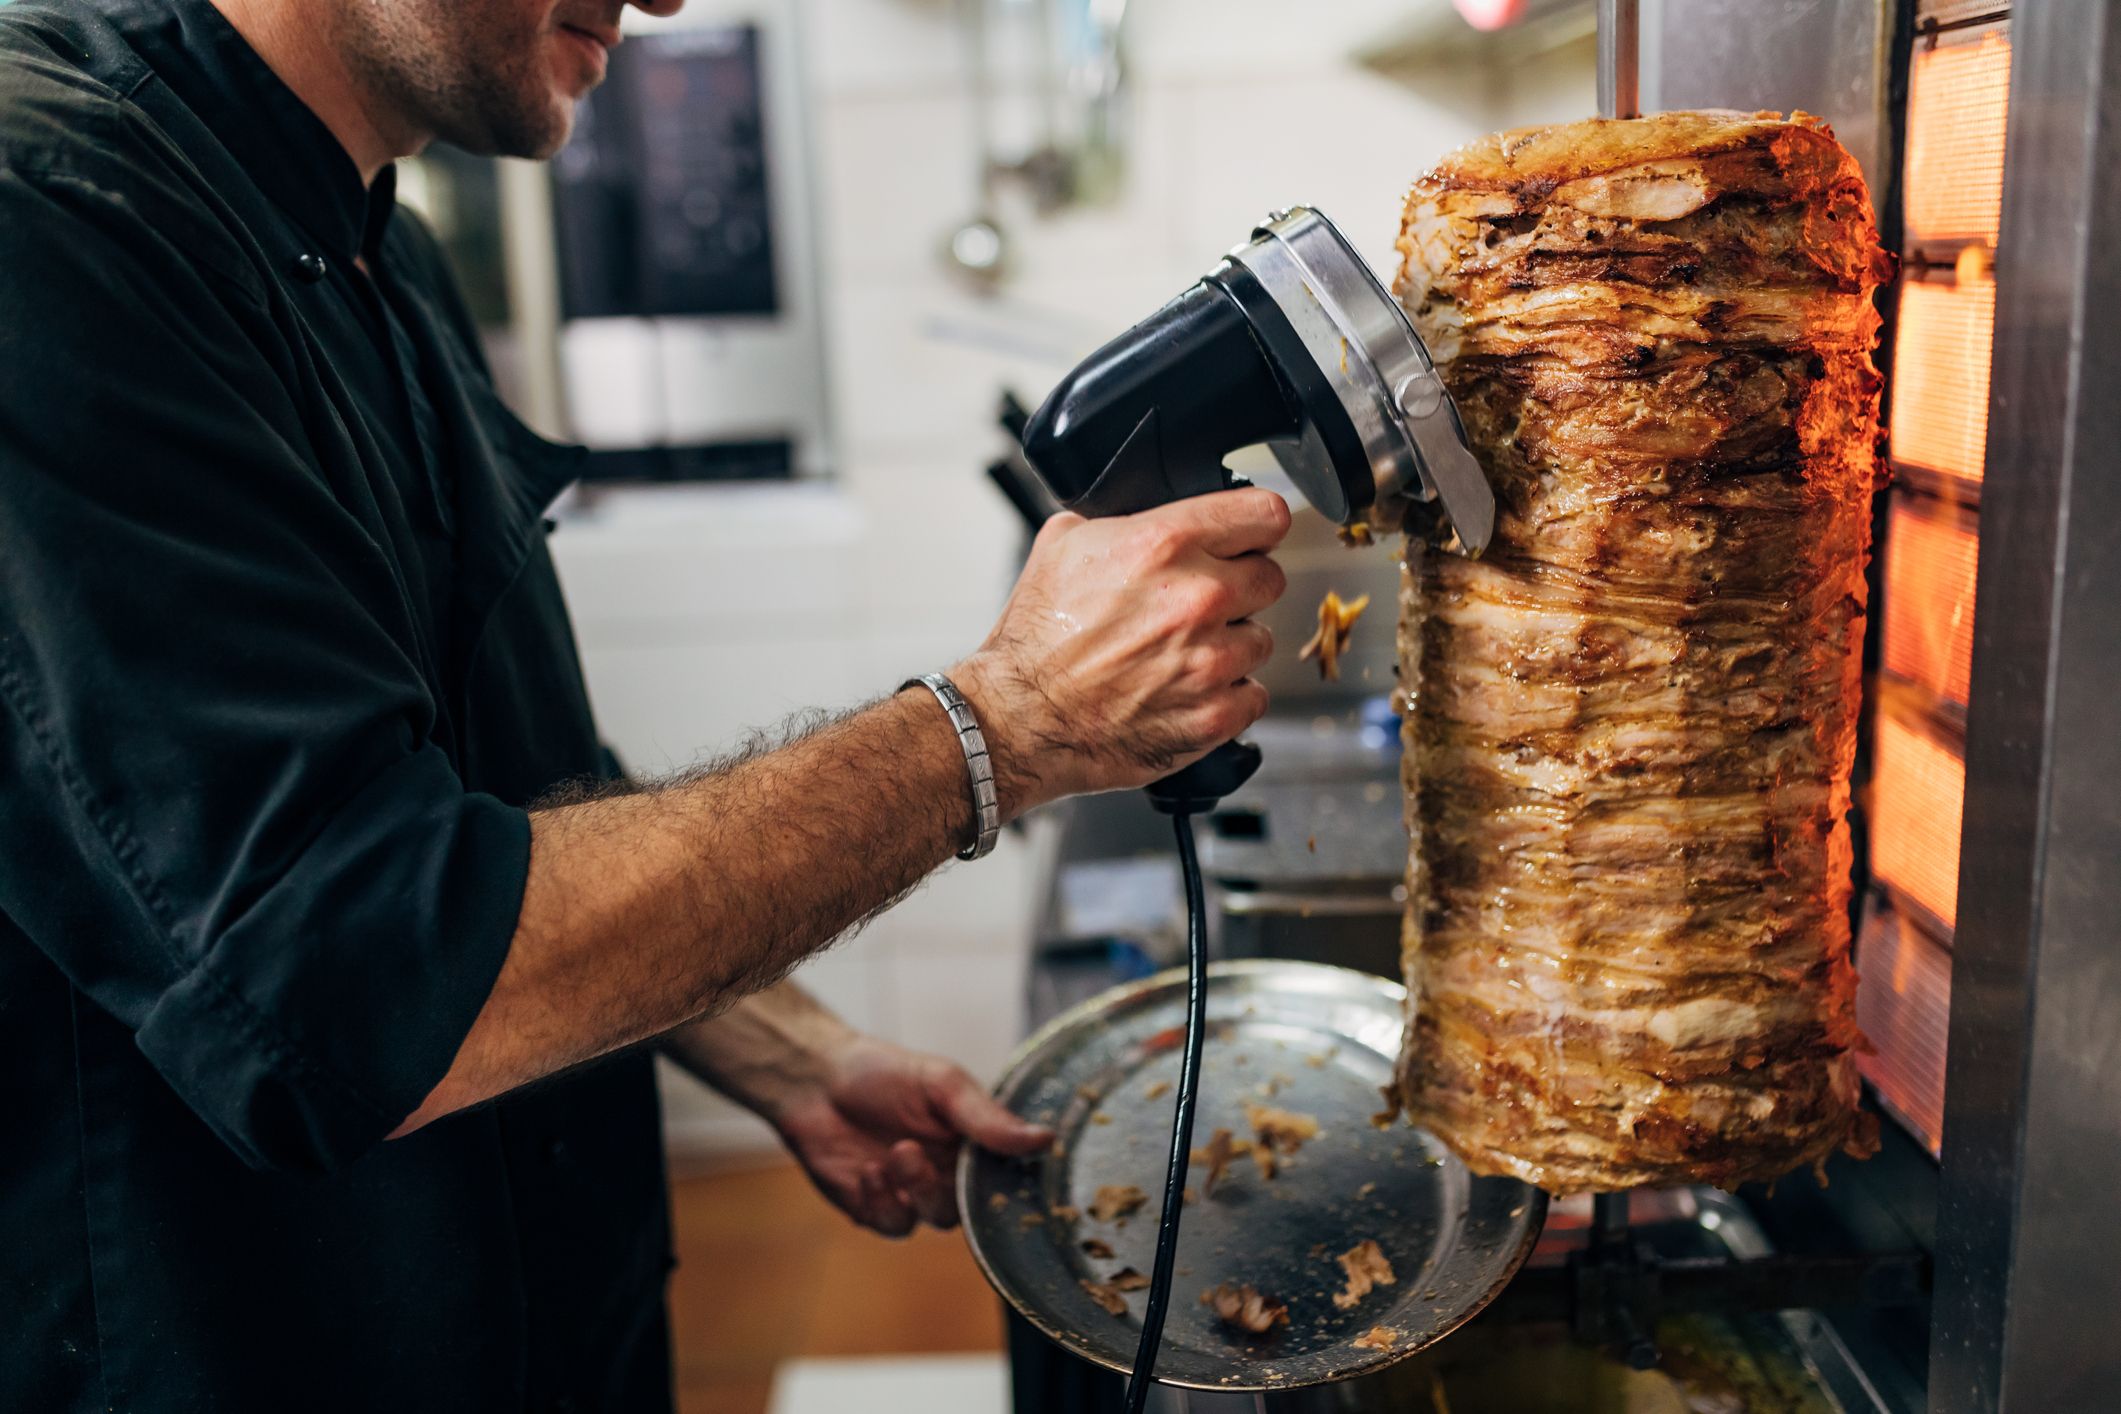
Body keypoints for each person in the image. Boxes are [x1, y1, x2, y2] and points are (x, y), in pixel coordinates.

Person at [0, 0, 1292, 1409]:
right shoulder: (46, 220)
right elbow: (355, 975)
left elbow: (497, 788)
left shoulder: (381, 241)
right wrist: (1005, 723)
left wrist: (779, 1046)